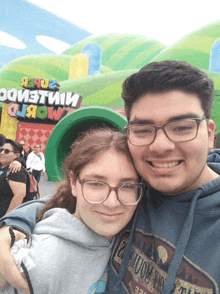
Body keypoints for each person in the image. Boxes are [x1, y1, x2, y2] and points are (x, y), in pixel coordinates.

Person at [0, 60, 220, 294]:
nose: (160, 146)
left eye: (182, 127)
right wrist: (16, 224)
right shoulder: (144, 185)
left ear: (208, 134)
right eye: (143, 130)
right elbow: (77, 199)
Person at [0, 126, 142, 294]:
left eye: (127, 186)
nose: (112, 202)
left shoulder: (138, 236)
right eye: (96, 184)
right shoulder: (37, 264)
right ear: (74, 183)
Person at [0, 139, 29, 218]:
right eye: (1, 150)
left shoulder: (15, 170)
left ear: (17, 155)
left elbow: (19, 195)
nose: (2, 153)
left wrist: (7, 218)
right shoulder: (3, 167)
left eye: (7, 151)